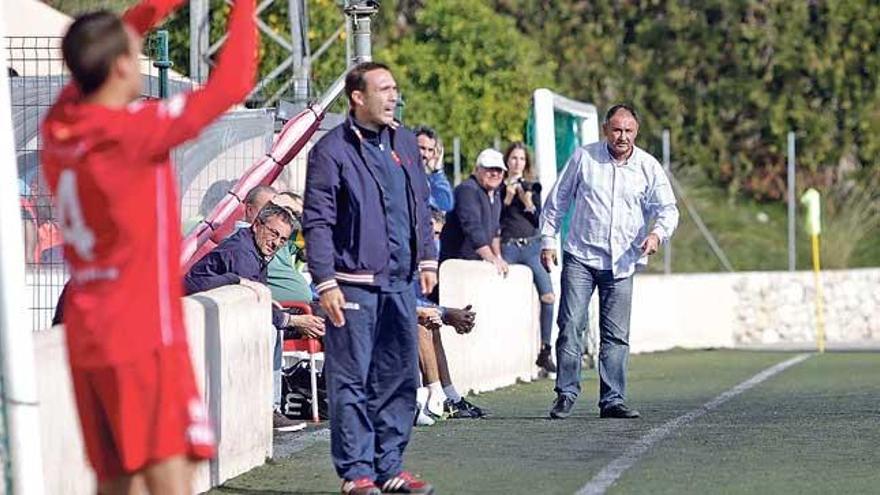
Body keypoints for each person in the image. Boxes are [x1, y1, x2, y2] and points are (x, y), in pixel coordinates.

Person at [39, 0, 257, 492]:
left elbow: (104, 48)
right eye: (133, 51)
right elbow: (232, 85)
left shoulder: (61, 126)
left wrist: (159, 6)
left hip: (89, 334)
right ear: (120, 65)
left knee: (116, 482)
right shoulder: (132, 135)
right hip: (142, 338)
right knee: (169, 481)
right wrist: (242, 7)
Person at [302, 61, 438, 495]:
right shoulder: (330, 151)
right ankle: (356, 473)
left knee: (399, 378)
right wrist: (325, 281)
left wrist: (428, 259)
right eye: (384, 89)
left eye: (395, 88)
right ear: (357, 97)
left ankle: (390, 467)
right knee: (352, 381)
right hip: (351, 285)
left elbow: (420, 202)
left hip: (400, 283)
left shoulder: (404, 142)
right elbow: (318, 221)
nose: (393, 96)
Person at [540, 104, 679, 420]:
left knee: (616, 335)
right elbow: (557, 201)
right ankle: (566, 393)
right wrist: (548, 240)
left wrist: (656, 235)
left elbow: (668, 209)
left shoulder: (648, 166)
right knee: (571, 324)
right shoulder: (584, 158)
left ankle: (612, 399)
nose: (622, 137)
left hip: (623, 262)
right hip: (581, 256)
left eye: (629, 131)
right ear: (605, 130)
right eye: (617, 130)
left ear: (636, 132)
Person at [183, 203, 317, 429]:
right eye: (273, 233)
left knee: (278, 325)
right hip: (199, 320)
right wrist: (292, 320)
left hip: (220, 316)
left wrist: (272, 306)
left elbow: (256, 294)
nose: (276, 243)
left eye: (283, 240)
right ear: (256, 225)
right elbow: (251, 306)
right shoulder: (242, 252)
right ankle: (269, 409)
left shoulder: (255, 248)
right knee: (274, 329)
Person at [499, 142, 557, 375]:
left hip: (531, 247)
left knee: (549, 296)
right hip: (509, 246)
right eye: (513, 158)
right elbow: (494, 219)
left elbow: (541, 223)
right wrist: (507, 198)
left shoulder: (532, 187)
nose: (517, 163)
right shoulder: (498, 186)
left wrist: (527, 202)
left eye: (521, 159)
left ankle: (545, 349)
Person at [439, 148, 508, 276]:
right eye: (489, 169)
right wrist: (491, 258)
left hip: (477, 265)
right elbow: (472, 227)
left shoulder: (495, 194)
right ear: (477, 169)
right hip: (458, 265)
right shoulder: (467, 190)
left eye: (498, 170)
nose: (495, 174)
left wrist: (498, 257)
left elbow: (494, 232)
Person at [414, 125, 454, 212]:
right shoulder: (401, 173)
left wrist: (437, 171)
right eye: (422, 148)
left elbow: (445, 205)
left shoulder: (429, 179)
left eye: (430, 150)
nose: (426, 155)